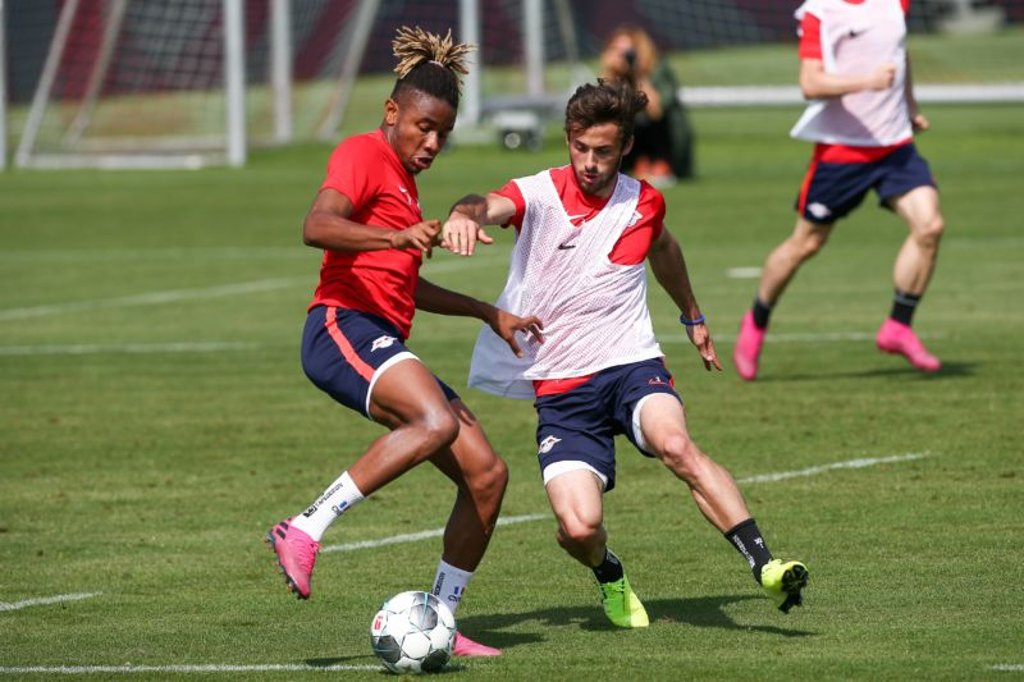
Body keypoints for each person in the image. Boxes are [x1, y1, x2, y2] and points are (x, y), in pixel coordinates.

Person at [439, 81, 807, 628]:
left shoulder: (644, 202)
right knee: (580, 528)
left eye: (603, 151)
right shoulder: (536, 194)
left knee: (675, 443)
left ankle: (766, 565)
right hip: (562, 390)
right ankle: (609, 573)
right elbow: (485, 204)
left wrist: (693, 315)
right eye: (580, 148)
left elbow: (665, 247)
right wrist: (463, 215)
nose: (589, 162)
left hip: (631, 364)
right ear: (568, 140)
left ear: (625, 147)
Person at [265, 26, 543, 657]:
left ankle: (440, 619)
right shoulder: (365, 154)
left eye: (444, 132)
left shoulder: (406, 184)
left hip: (380, 333)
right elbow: (317, 226)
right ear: (392, 113)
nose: (433, 142)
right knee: (434, 421)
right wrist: (394, 238)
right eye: (423, 126)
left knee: (488, 475)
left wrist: (484, 311)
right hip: (341, 326)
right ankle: (306, 527)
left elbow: (405, 283)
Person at [733, 0, 945, 381]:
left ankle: (898, 326)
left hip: (896, 147)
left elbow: (898, 51)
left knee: (929, 226)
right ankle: (757, 319)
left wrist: (909, 105)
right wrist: (868, 82)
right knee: (806, 244)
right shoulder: (820, 12)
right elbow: (810, 84)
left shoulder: (895, 4)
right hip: (841, 153)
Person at [600, 25, 694, 185]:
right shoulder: (614, 77)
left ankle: (660, 165)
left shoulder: (658, 70)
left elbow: (656, 111)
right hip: (632, 147)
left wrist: (636, 75)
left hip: (666, 143)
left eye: (627, 52)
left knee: (645, 119)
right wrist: (610, 74)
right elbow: (603, 112)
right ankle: (636, 164)